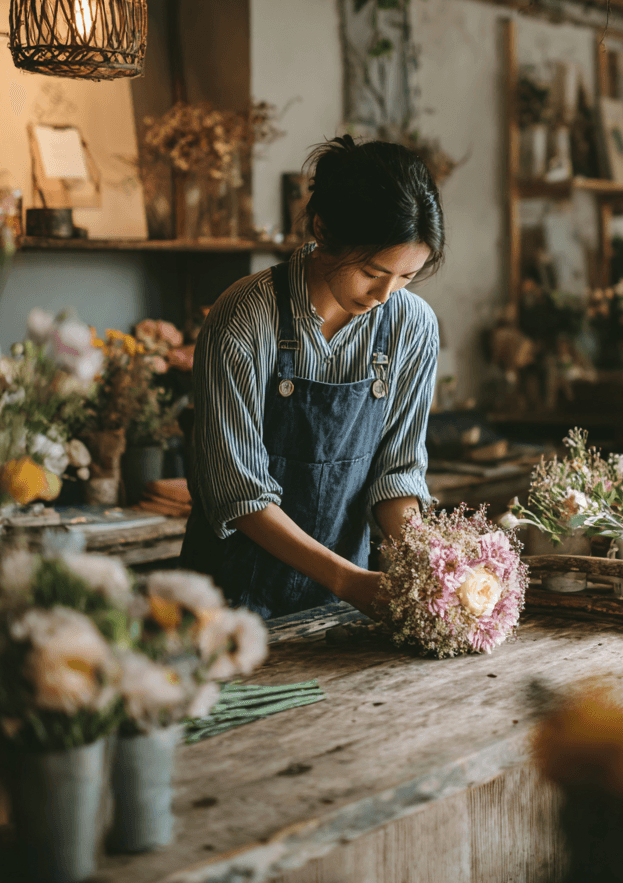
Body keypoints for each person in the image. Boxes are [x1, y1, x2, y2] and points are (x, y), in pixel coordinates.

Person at [180, 136, 444, 619]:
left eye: (406, 277)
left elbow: (397, 475)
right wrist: (349, 580)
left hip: (339, 607)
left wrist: (430, 565)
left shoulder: (413, 326)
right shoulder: (244, 317)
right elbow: (238, 492)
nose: (385, 295)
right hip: (230, 607)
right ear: (323, 229)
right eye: (373, 272)